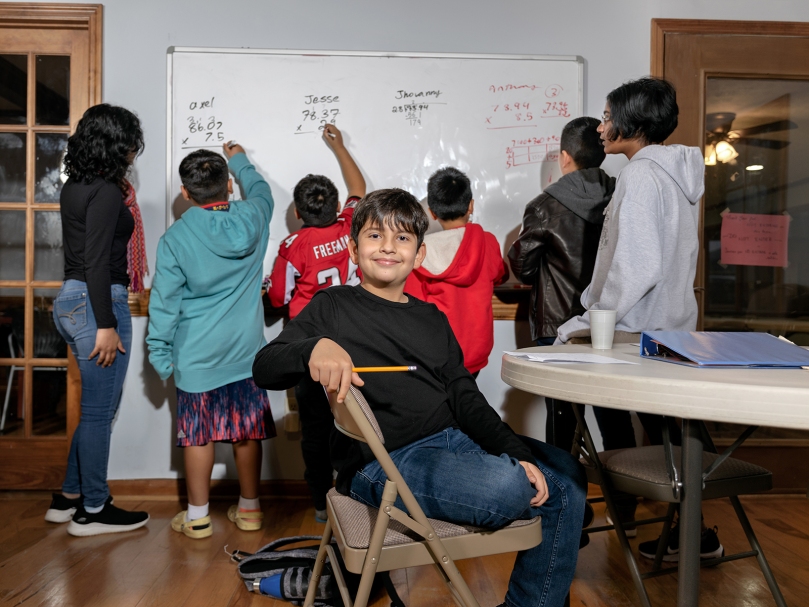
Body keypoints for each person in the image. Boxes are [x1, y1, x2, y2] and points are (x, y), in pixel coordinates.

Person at [253, 189, 588, 607]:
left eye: (402, 238)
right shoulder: (333, 305)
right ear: (354, 250)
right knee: (511, 484)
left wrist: (515, 451)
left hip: (450, 441)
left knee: (568, 478)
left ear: (419, 253)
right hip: (382, 463)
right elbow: (264, 366)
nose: (389, 247)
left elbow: (465, 397)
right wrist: (312, 348)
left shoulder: (431, 318)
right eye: (375, 236)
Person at [555, 77, 722, 560]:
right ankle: (698, 534)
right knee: (676, 434)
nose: (601, 128)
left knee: (670, 436)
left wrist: (587, 319)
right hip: (669, 327)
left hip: (640, 333)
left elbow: (636, 265)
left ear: (632, 122)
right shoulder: (673, 172)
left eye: (607, 117)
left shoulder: (642, 175)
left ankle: (574, 520)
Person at [146, 142, 276, 539]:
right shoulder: (255, 215)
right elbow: (263, 190)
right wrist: (238, 158)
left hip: (197, 357)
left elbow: (164, 306)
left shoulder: (175, 239)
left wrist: (160, 357)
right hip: (247, 354)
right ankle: (250, 510)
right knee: (247, 431)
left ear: (186, 194)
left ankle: (198, 516)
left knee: (197, 435)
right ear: (230, 187)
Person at [49, 104, 150, 536]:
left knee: (95, 410)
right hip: (96, 303)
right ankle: (93, 508)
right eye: (128, 141)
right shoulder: (108, 191)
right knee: (98, 414)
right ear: (114, 142)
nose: (133, 150)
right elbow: (95, 261)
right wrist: (107, 324)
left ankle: (69, 497)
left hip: (71, 300)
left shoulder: (75, 185)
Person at [266, 124, 365, 523]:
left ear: (296, 213)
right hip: (354, 339)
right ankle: (354, 497)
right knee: (355, 422)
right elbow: (358, 185)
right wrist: (340, 146)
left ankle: (323, 503)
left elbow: (276, 298)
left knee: (315, 428)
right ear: (340, 205)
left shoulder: (292, 246)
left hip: (310, 347)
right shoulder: (350, 227)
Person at [508, 117, 615, 451]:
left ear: (565, 157)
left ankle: (570, 498)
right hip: (609, 323)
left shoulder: (543, 207)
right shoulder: (621, 195)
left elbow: (524, 268)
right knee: (614, 413)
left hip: (557, 325)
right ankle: (625, 498)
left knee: (563, 415)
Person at [404, 167, 508, 377]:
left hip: (436, 355)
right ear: (471, 205)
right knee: (466, 404)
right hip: (475, 353)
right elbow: (499, 275)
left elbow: (412, 305)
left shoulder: (419, 252)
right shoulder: (488, 242)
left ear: (432, 212)